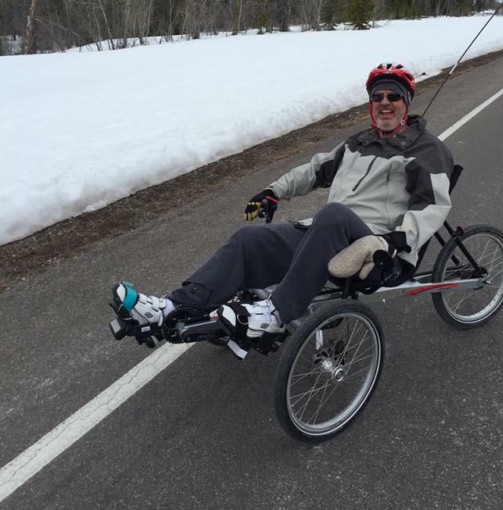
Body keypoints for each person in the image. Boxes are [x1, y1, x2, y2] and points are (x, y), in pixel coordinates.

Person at [112, 63, 454, 350]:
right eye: (377, 96)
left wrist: (395, 240)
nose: (384, 103)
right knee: (249, 239)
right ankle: (171, 306)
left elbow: (434, 205)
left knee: (332, 214)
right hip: (327, 235)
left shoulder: (426, 150)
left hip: (377, 247)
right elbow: (314, 170)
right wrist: (274, 190)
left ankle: (274, 314)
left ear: (406, 102)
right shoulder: (358, 143)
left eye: (393, 96)